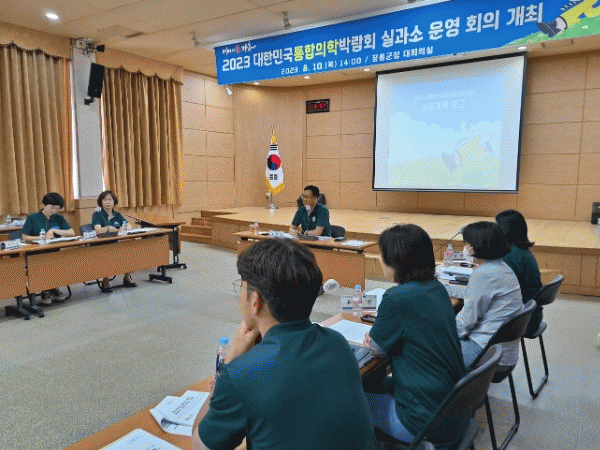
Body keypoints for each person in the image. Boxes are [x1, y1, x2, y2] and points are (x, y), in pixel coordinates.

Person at [192, 238, 378, 450]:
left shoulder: (241, 373)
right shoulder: (337, 342)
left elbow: (200, 446)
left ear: (255, 302)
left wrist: (233, 355)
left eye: (242, 288)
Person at [363, 224, 469, 447]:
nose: (380, 260)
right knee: (373, 383)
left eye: (382, 254)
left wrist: (372, 338)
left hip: (422, 422)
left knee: (344, 404)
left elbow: (376, 349)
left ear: (395, 260)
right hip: (453, 410)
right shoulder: (437, 288)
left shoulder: (397, 298)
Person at [456, 221, 523, 368]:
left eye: (466, 244)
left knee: (429, 351)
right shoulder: (504, 268)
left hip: (486, 352)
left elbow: (466, 321)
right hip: (503, 352)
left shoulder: (483, 274)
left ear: (475, 247)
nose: (465, 248)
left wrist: (446, 333)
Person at [496, 209, 543, 336]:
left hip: (521, 320)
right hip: (531, 315)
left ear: (505, 230)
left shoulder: (511, 255)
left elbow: (498, 288)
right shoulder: (521, 250)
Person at [22, 192, 75, 304]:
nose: (54, 211)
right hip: (36, 253)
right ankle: (45, 290)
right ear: (45, 205)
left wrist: (54, 230)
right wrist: (42, 237)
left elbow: (71, 232)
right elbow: (25, 237)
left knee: (59, 261)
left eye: (57, 209)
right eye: (52, 207)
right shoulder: (33, 217)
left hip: (54, 252)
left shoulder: (59, 218)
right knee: (46, 262)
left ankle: (53, 288)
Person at [91, 190, 136, 292]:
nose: (107, 202)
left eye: (110, 199)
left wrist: (123, 228)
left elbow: (129, 225)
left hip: (116, 242)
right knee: (107, 255)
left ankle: (126, 278)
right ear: (101, 202)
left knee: (130, 251)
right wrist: (108, 228)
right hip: (102, 244)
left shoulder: (117, 215)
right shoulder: (97, 214)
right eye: (105, 200)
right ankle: (105, 280)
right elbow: (97, 229)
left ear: (114, 201)